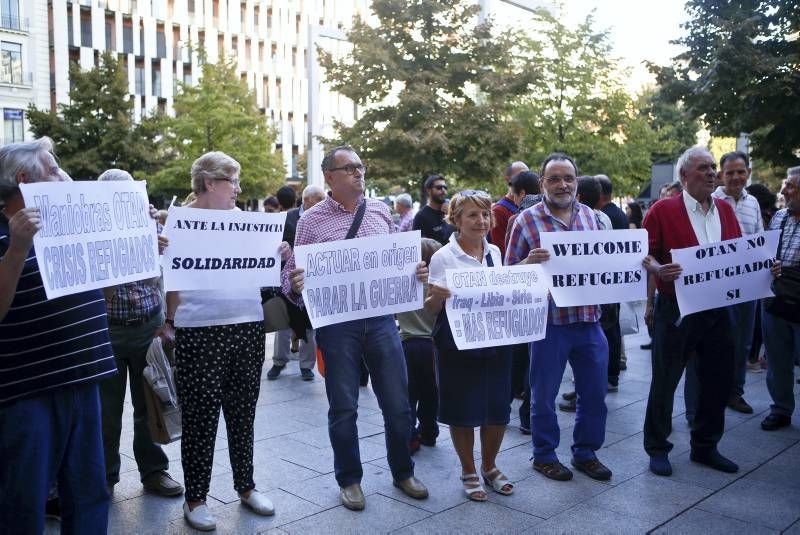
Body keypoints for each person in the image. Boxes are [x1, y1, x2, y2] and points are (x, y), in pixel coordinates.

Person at [282, 145, 429, 511]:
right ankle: (349, 479)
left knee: (397, 403)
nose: (358, 173)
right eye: (349, 169)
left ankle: (403, 471)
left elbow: (398, 261)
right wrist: (296, 283)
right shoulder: (311, 221)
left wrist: (416, 273)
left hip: (381, 321)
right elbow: (290, 277)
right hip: (337, 326)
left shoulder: (380, 210)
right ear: (329, 177)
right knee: (344, 407)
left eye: (361, 167)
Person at [159, 152, 285, 531]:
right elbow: (171, 280)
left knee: (243, 413)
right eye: (233, 181)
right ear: (210, 183)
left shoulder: (245, 225)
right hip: (200, 329)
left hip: (247, 326)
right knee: (200, 418)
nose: (238, 189)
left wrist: (275, 255)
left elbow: (264, 277)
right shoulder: (176, 224)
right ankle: (196, 498)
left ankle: (246, 487)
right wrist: (167, 319)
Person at [0, 137, 116, 533]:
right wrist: (16, 249)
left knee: (88, 493)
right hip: (27, 392)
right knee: (22, 499)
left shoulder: (70, 226)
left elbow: (105, 297)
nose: (63, 176)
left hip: (83, 379)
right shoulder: (4, 233)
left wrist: (129, 250)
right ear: (24, 179)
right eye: (53, 169)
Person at [641, 146, 753, 477]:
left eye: (712, 167)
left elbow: (738, 254)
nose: (711, 173)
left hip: (718, 308)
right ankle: (657, 447)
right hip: (677, 308)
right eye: (703, 168)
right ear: (684, 176)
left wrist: (765, 269)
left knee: (717, 378)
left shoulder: (726, 212)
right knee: (666, 378)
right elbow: (642, 257)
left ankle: (705, 446)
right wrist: (659, 269)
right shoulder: (662, 210)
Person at [506, 153, 612, 482]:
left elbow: (607, 263)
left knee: (594, 393)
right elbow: (507, 273)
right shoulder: (526, 221)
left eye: (568, 177)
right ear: (542, 184)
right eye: (554, 178)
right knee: (544, 396)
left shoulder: (593, 219)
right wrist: (528, 265)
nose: (562, 184)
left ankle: (585, 452)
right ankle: (545, 455)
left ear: (577, 182)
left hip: (588, 320)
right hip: (548, 324)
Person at [96, 169, 183, 498]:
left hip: (149, 325)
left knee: (152, 402)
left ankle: (154, 471)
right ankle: (105, 475)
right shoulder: (95, 233)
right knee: (106, 409)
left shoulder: (153, 226)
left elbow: (173, 274)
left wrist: (169, 322)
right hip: (107, 329)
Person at [426, 189, 515, 501]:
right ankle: (468, 469)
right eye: (473, 215)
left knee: (497, 408)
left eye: (485, 214)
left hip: (495, 340)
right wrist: (438, 295)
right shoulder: (443, 257)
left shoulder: (496, 253)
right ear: (456, 220)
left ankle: (489, 466)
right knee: (462, 410)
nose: (481, 221)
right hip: (457, 345)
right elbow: (431, 310)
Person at [685, 151, 764, 417]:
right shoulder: (711, 200)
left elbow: (759, 241)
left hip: (747, 285)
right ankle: (700, 402)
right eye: (729, 172)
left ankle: (735, 392)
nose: (735, 177)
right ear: (721, 175)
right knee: (705, 346)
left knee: (741, 342)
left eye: (740, 172)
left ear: (748, 173)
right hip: (715, 287)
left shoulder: (753, 203)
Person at [559, 176, 618, 413]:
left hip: (585, 302)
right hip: (593, 299)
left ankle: (585, 392)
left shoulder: (591, 219)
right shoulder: (603, 217)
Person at [267, 184, 326, 381]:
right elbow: (274, 245)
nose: (323, 202)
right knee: (283, 322)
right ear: (307, 199)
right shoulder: (287, 218)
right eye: (319, 199)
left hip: (314, 278)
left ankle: (306, 366)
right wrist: (286, 252)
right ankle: (278, 361)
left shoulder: (324, 218)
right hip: (288, 277)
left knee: (310, 323)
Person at [760, 166, 799, 431]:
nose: (783, 190)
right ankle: (781, 408)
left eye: (791, 186)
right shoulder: (780, 217)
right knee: (778, 359)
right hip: (776, 299)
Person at [397, 238, 442, 453]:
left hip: (406, 345)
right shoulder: (439, 288)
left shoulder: (404, 285)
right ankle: (429, 432)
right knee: (431, 394)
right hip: (431, 347)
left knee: (409, 395)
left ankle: (410, 437)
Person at [490, 161, 529, 258]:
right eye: (520, 175)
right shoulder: (498, 211)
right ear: (508, 180)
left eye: (527, 175)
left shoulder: (532, 208)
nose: (525, 179)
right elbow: (501, 253)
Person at [413, 174, 453, 245]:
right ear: (428, 190)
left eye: (445, 187)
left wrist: (451, 213)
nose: (443, 190)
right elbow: (419, 245)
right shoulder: (421, 216)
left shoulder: (450, 210)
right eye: (439, 187)